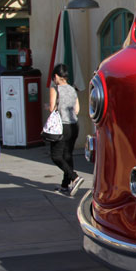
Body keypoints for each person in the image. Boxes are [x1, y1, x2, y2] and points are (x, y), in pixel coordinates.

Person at [49, 64, 83, 196]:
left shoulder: (55, 88)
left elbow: (52, 108)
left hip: (61, 126)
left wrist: (49, 107)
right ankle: (65, 185)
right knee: (67, 155)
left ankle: (75, 177)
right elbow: (77, 109)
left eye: (53, 78)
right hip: (74, 125)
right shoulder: (73, 89)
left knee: (56, 156)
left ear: (56, 76)